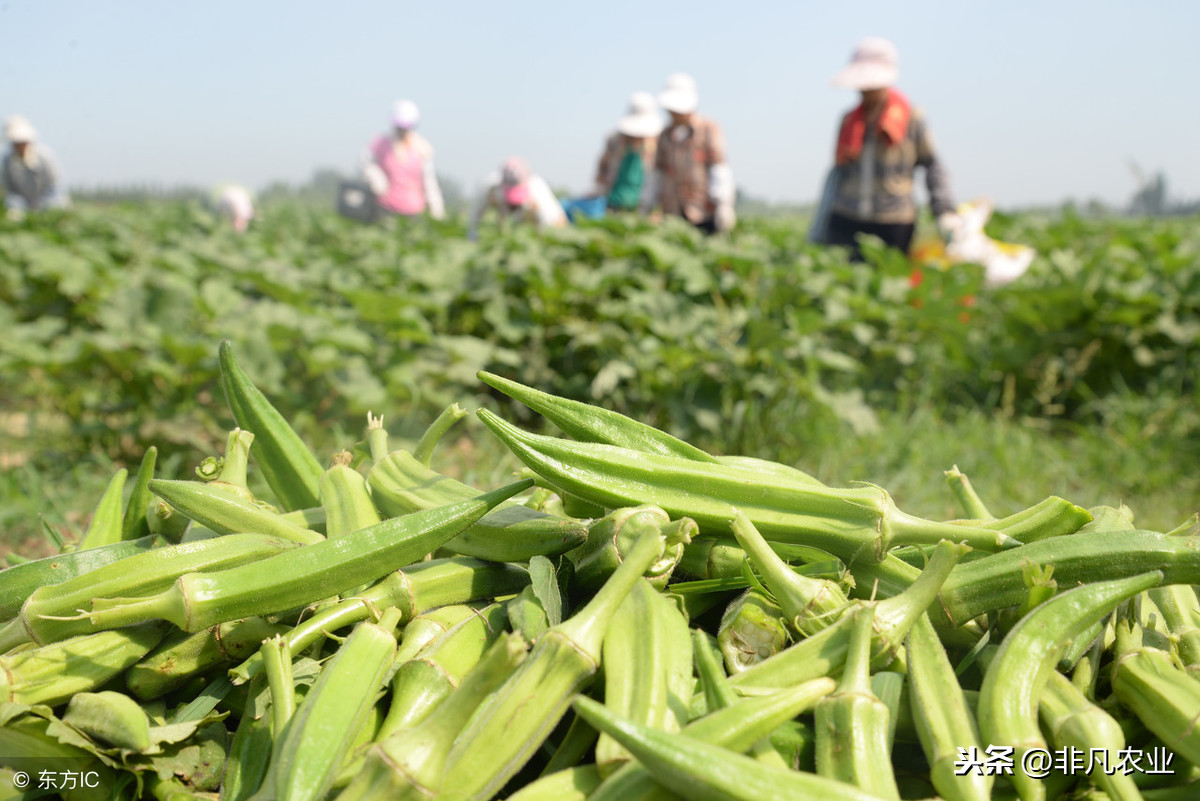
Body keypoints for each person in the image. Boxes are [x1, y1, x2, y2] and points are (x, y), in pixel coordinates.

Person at [821, 37, 957, 259]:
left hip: (894, 223)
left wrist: (944, 211)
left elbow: (933, 166)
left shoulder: (912, 118)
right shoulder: (848, 121)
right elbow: (837, 174)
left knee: (891, 285)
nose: (865, 89)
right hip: (847, 219)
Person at [640, 73, 735, 234]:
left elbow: (718, 169)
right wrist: (646, 204)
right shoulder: (664, 136)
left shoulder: (708, 130)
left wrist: (723, 203)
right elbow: (657, 174)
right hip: (672, 213)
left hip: (702, 212)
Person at [362, 100, 445, 220]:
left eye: (405, 128)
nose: (402, 131)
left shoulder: (422, 148)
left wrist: (437, 209)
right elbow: (364, 164)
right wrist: (375, 177)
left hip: (413, 212)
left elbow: (429, 182)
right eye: (399, 127)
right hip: (384, 208)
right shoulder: (380, 143)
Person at [592, 91, 662, 213]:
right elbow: (601, 172)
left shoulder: (657, 144)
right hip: (612, 203)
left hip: (643, 206)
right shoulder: (614, 141)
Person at [467, 156, 566, 241]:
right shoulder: (489, 187)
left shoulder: (538, 190)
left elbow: (557, 223)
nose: (513, 204)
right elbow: (474, 218)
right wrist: (473, 238)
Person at [3, 115, 70, 220]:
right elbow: (12, 191)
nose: (20, 146)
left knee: (54, 212)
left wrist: (42, 206)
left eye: (22, 142)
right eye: (17, 143)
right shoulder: (8, 160)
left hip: (49, 201)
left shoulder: (45, 156)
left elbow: (55, 187)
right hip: (24, 205)